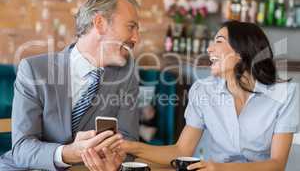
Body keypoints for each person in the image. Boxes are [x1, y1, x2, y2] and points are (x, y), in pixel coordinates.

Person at [119, 21, 299, 171]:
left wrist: (220, 169)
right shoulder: (203, 90)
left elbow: (277, 164)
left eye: (218, 41)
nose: (209, 49)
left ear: (242, 51)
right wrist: (130, 147)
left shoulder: (284, 94)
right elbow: (181, 150)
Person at [0, 0, 140, 171]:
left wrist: (116, 160)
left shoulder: (126, 75)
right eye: (131, 27)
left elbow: (128, 143)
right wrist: (68, 152)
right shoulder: (34, 70)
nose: (137, 37)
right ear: (100, 23)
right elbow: (22, 149)